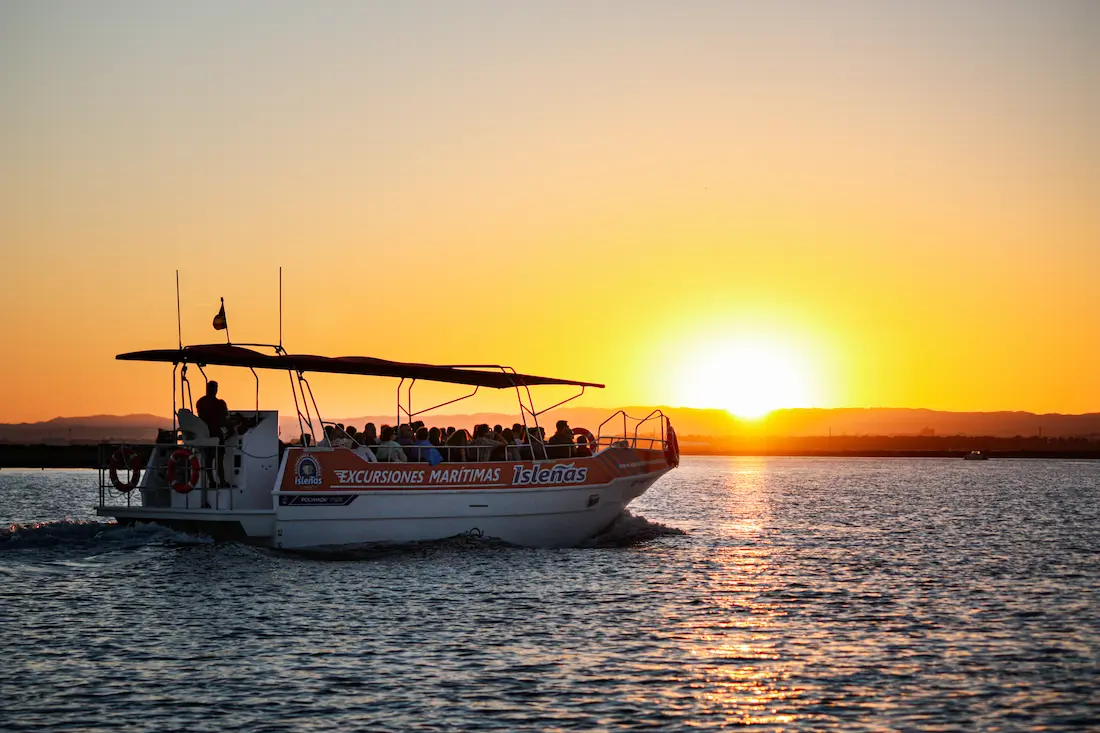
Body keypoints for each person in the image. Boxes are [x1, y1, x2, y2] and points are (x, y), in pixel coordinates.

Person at [196, 381, 229, 486]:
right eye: (215, 387)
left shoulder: (201, 402)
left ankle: (212, 481)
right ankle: (221, 482)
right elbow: (223, 419)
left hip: (206, 435)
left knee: (209, 460)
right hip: (216, 435)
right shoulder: (219, 404)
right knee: (218, 460)